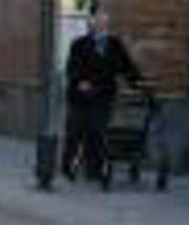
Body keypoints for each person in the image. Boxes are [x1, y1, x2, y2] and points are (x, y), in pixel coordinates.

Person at [60, 9, 143, 183]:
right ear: (91, 25)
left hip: (103, 96)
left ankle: (94, 169)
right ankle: (67, 166)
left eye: (104, 23)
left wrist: (139, 84)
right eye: (98, 23)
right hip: (80, 98)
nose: (101, 26)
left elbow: (127, 67)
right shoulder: (79, 44)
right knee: (75, 132)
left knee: (98, 132)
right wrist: (80, 81)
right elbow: (71, 68)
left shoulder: (115, 44)